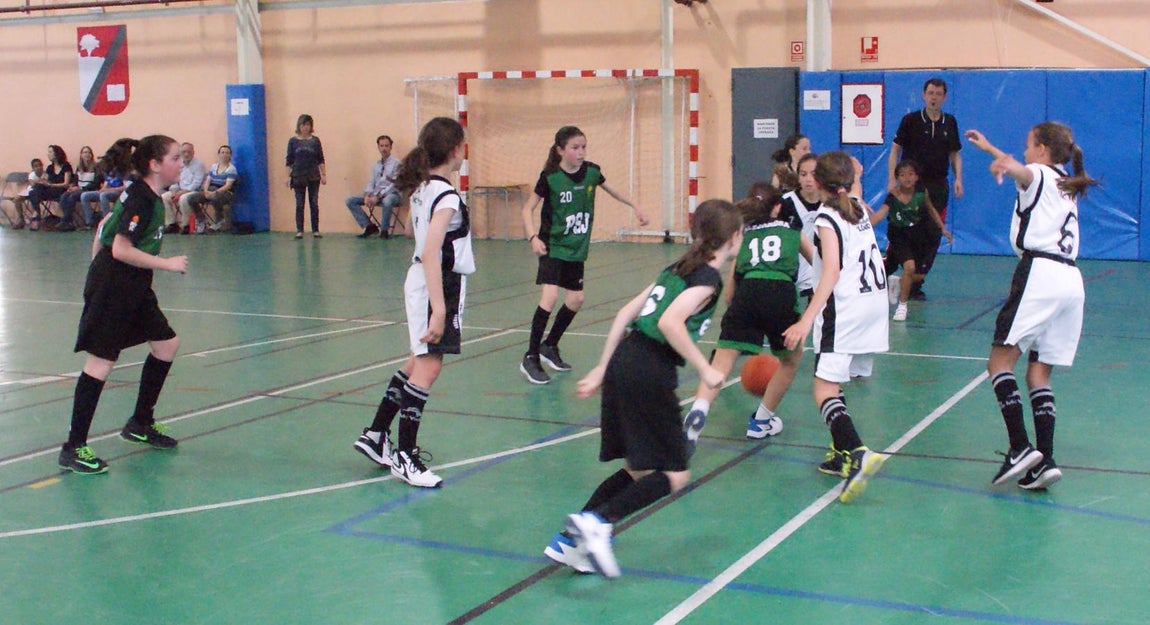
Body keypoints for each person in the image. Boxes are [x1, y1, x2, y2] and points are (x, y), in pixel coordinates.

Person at [544, 199, 742, 578]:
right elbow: (670, 323)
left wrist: (603, 367)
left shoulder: (677, 268)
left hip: (625, 360)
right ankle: (597, 523)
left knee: (638, 470)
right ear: (733, 237)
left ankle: (570, 540)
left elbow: (625, 314)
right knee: (675, 473)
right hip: (649, 369)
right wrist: (707, 370)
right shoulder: (707, 279)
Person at [965, 123, 1095, 490]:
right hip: (1071, 282)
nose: (1024, 152)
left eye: (1027, 145)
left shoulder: (1037, 173)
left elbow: (1024, 172)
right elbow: (1023, 169)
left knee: (999, 363)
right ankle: (1045, 460)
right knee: (1038, 375)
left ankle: (1020, 446)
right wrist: (992, 150)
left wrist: (1004, 164)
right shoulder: (1066, 182)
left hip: (1040, 273)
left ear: (1041, 149)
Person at [351, 117, 474, 488]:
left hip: (423, 280)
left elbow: (410, 232)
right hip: (437, 285)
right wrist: (440, 308)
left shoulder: (423, 189)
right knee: (428, 368)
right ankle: (405, 455)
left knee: (415, 362)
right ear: (454, 150)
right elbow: (431, 249)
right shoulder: (446, 195)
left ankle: (376, 434)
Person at [57, 135, 189, 475]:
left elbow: (104, 226)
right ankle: (74, 447)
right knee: (101, 361)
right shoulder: (141, 198)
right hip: (115, 284)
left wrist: (96, 266)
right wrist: (167, 264)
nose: (181, 164)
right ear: (155, 164)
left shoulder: (142, 193)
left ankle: (140, 422)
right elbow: (120, 249)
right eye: (175, 158)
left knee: (166, 344)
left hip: (133, 284)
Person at [781, 151, 889, 503]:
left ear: (820, 183)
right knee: (835, 378)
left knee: (823, 389)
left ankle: (857, 452)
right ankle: (841, 454)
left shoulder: (827, 218)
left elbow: (830, 273)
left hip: (844, 309)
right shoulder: (856, 205)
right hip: (872, 304)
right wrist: (855, 170)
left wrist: (805, 320)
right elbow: (855, 181)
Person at [682, 185, 814, 448]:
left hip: (747, 293)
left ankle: (698, 411)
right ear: (777, 207)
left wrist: (738, 312)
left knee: (721, 363)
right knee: (790, 361)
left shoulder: (743, 235)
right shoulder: (793, 231)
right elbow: (820, 264)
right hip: (780, 293)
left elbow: (730, 293)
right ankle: (761, 421)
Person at [518, 126, 650, 384]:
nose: (581, 152)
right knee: (550, 296)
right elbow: (527, 209)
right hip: (552, 245)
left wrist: (635, 206)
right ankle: (530, 356)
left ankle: (549, 346)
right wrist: (533, 237)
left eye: (583, 147)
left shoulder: (592, 172)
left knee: (576, 299)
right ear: (560, 150)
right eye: (575, 148)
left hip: (576, 248)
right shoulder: (550, 177)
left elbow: (613, 190)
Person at [889, 78, 963, 300]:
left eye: (938, 94)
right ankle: (886, 270)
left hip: (938, 186)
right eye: (930, 93)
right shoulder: (910, 120)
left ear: (944, 97)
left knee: (932, 234)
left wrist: (958, 178)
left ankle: (915, 283)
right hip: (912, 186)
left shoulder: (950, 122)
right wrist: (892, 180)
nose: (934, 97)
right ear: (923, 95)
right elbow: (895, 151)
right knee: (906, 230)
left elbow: (954, 154)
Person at [869, 159, 952, 322]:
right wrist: (864, 227)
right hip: (898, 235)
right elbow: (880, 214)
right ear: (897, 178)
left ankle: (898, 283)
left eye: (911, 174)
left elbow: (931, 210)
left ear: (916, 177)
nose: (907, 178)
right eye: (902, 175)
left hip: (917, 235)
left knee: (918, 276)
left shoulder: (921, 193)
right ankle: (902, 307)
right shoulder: (893, 196)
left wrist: (942, 228)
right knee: (909, 267)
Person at [346, 135, 401, 239]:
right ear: (378, 147)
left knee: (387, 201)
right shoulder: (376, 165)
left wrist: (378, 196)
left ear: (391, 147)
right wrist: (367, 195)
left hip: (392, 194)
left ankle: (384, 231)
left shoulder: (397, 163)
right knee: (350, 200)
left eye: (386, 146)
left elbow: (394, 185)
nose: (384, 148)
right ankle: (369, 226)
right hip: (376, 195)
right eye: (381, 146)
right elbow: (371, 182)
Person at [286, 113, 327, 239]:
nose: (305, 127)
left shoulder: (315, 141)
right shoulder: (293, 141)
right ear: (299, 126)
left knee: (314, 203)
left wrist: (323, 174)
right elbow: (289, 160)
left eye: (308, 125)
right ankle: (300, 230)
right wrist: (287, 177)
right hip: (298, 176)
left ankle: (315, 230)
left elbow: (320, 159)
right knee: (299, 204)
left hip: (313, 176)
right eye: (303, 125)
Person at [80, 140, 135, 227]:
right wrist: (102, 189)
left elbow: (125, 187)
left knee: (104, 195)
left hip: (118, 193)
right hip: (107, 191)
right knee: (85, 195)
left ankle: (107, 222)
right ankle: (89, 222)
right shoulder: (109, 169)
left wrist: (108, 190)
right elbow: (106, 184)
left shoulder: (123, 170)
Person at [185, 145, 238, 233]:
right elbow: (208, 180)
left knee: (215, 197)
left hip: (225, 192)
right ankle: (201, 220)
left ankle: (219, 221)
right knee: (191, 198)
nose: (224, 154)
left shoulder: (231, 169)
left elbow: (228, 185)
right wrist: (206, 191)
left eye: (227, 153)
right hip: (211, 189)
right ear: (219, 154)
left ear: (230, 155)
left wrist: (214, 193)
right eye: (222, 152)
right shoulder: (214, 167)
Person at [161, 143, 207, 234]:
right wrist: (173, 190)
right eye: (184, 152)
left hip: (195, 191)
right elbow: (175, 179)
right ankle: (172, 224)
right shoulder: (178, 164)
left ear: (193, 152)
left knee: (184, 198)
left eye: (189, 152)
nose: (186, 154)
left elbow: (197, 183)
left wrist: (182, 192)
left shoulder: (199, 165)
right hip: (180, 190)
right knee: (164, 197)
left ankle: (186, 225)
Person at [29, 145, 74, 230]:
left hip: (62, 190)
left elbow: (66, 184)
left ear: (56, 153)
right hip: (51, 190)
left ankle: (36, 217)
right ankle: (37, 213)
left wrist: (51, 185)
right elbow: (47, 181)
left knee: (36, 191)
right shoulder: (50, 168)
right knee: (34, 190)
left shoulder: (66, 166)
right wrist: (43, 182)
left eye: (50, 152)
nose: (48, 154)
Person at [60, 146, 102, 230]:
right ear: (81, 155)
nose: (87, 154)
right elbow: (75, 180)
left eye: (89, 152)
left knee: (72, 197)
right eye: (85, 152)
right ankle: (69, 221)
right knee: (64, 196)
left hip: (89, 190)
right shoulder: (79, 167)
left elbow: (96, 183)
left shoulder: (96, 167)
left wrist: (81, 188)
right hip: (78, 189)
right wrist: (72, 186)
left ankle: (65, 221)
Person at [12, 158, 45, 230]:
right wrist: (41, 182)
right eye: (36, 166)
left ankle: (36, 219)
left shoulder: (45, 174)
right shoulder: (32, 175)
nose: (38, 167)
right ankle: (21, 219)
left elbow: (46, 184)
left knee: (34, 199)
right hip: (29, 190)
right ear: (33, 168)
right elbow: (33, 184)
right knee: (16, 199)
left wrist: (40, 183)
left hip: (39, 192)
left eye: (40, 165)